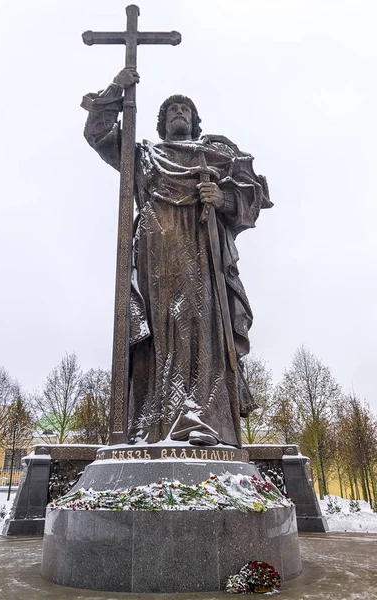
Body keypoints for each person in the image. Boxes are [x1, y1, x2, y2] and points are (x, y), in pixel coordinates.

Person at [81, 68, 272, 448]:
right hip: (154, 256)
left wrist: (224, 198)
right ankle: (153, 424)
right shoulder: (143, 155)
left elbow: (255, 195)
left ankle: (200, 416)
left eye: (185, 109)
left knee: (201, 330)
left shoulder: (213, 156)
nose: (179, 113)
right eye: (171, 110)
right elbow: (99, 134)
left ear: (195, 122)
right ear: (162, 122)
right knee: (158, 332)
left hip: (201, 254)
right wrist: (116, 90)